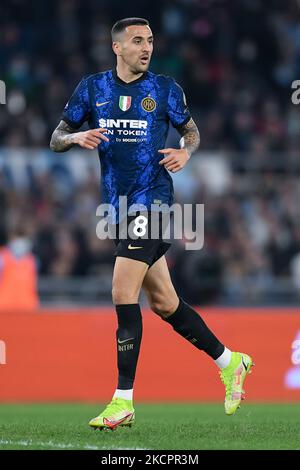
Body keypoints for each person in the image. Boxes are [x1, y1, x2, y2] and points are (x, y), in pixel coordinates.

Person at [50, 17, 253, 431]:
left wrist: (186, 153)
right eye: (138, 41)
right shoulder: (93, 89)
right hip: (117, 211)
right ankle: (231, 362)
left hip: (153, 204)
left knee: (121, 291)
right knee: (164, 303)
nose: (147, 47)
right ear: (117, 47)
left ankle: (123, 400)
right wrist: (74, 138)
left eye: (150, 41)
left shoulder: (164, 89)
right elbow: (55, 137)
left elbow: (191, 132)